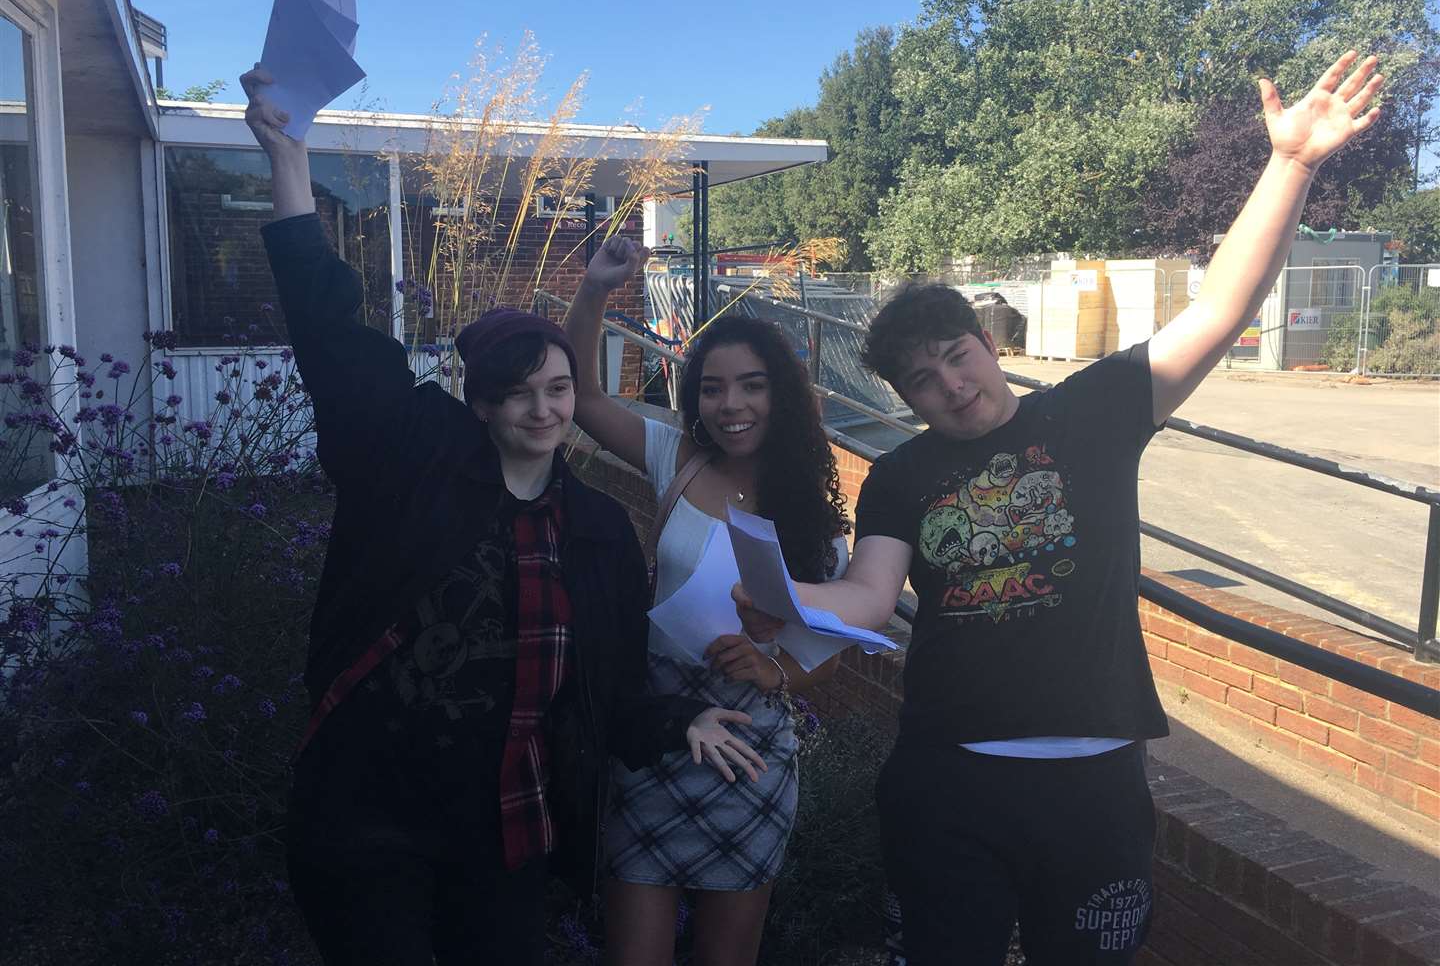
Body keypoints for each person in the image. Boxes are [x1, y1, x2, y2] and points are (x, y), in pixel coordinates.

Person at [735, 51, 1385, 964]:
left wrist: (1292, 163)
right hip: (949, 781)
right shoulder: (904, 475)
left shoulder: (1094, 412)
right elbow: (871, 596)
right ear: (906, 398)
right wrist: (788, 601)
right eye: (923, 381)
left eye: (958, 356)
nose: (953, 387)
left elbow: (1221, 309)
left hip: (1097, 786)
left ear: (985, 342)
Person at [238, 65, 766, 966]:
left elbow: (608, 683)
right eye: (515, 393)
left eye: (559, 389)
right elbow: (330, 335)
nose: (544, 410)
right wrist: (291, 165)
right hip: (369, 823)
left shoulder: (596, 530)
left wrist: (679, 721)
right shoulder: (412, 463)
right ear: (475, 402)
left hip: (508, 833)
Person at [564, 245, 853, 966]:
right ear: (694, 396)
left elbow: (826, 656)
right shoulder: (675, 455)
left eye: (752, 387)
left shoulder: (814, 521)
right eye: (714, 388)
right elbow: (585, 397)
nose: (732, 406)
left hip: (750, 756)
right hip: (656, 732)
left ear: (780, 395)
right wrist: (595, 291)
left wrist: (772, 669)